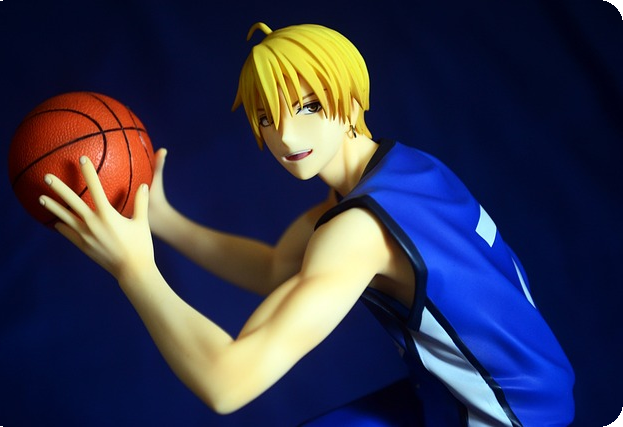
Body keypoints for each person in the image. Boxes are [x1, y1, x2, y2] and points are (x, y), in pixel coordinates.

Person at [39, 22, 575, 426]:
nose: (287, 137)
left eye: (309, 107)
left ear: (352, 98)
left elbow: (226, 383)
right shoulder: (407, 169)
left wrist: (134, 270)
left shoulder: (358, 232)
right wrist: (165, 220)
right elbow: (275, 267)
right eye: (267, 118)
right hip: (493, 387)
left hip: (506, 415)